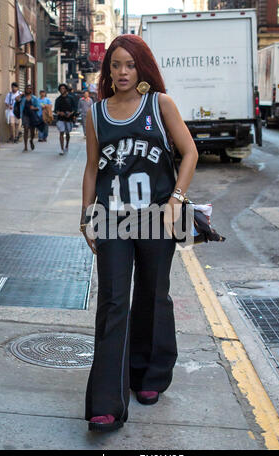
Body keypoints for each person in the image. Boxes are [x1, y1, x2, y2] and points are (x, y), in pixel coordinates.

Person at [80, 35, 198, 433]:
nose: (123, 72)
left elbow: (190, 152)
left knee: (152, 295)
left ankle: (149, 375)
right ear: (107, 69)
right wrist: (86, 217)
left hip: (157, 217)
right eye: (115, 65)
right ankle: (106, 402)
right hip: (113, 218)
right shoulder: (95, 113)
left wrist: (177, 201)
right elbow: (93, 167)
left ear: (141, 67)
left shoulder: (160, 104)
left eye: (130, 64)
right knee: (112, 302)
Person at [15, 84, 41, 152]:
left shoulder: (34, 98)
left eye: (30, 88)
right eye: (27, 88)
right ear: (25, 89)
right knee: (26, 129)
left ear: (31, 90)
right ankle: (25, 146)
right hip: (25, 115)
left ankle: (31, 140)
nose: (28, 89)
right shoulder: (23, 98)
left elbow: (38, 108)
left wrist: (34, 108)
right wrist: (21, 94)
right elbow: (16, 99)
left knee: (32, 132)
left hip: (32, 115)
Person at [54, 84, 76, 155]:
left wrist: (71, 113)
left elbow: (75, 108)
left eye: (63, 88)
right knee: (61, 132)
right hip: (60, 118)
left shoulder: (71, 98)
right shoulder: (58, 99)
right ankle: (62, 148)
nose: (62, 90)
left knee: (67, 133)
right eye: (61, 89)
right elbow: (55, 110)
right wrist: (60, 113)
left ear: (66, 89)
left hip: (69, 118)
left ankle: (67, 145)